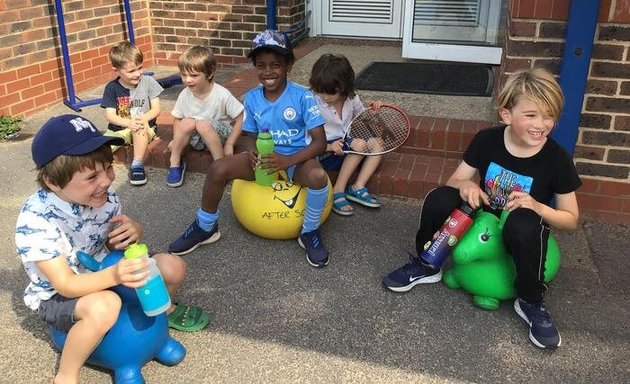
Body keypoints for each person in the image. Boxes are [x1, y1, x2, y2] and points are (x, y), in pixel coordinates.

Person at [382, 68, 581, 349]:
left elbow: (570, 220)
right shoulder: (487, 140)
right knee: (440, 197)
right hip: (482, 223)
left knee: (524, 222)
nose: (542, 124)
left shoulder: (557, 159)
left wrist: (538, 206)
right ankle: (428, 263)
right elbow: (456, 180)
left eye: (549, 115)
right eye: (531, 115)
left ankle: (530, 301)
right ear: (506, 115)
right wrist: (467, 186)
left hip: (520, 230)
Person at [16, 115, 209, 384]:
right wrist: (115, 277)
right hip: (60, 295)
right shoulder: (37, 220)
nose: (106, 180)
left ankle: (161, 313)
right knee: (106, 305)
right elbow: (65, 284)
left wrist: (133, 232)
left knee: (172, 267)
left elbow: (112, 243)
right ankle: (66, 374)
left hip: (105, 265)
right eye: (92, 176)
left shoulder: (103, 198)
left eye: (108, 168)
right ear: (52, 182)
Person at [168, 29, 331, 268]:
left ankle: (309, 231)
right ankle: (206, 227)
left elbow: (320, 142)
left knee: (318, 177)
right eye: (261, 65)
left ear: (289, 65)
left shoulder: (303, 96)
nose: (268, 72)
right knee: (218, 168)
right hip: (265, 161)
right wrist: (252, 151)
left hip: (295, 158)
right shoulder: (253, 98)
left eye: (275, 65)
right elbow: (250, 136)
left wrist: (286, 162)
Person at [309, 53, 383, 216]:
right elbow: (305, 138)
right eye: (321, 92)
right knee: (359, 144)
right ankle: (338, 191)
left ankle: (357, 187)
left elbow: (363, 116)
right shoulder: (314, 102)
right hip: (322, 153)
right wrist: (328, 146)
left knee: (377, 143)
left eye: (330, 93)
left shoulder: (351, 98)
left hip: (344, 148)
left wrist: (374, 110)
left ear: (343, 88)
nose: (325, 97)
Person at [167, 45, 245, 187]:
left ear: (209, 73)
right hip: (197, 138)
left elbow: (241, 117)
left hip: (218, 136)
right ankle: (175, 162)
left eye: (194, 75)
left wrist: (229, 143)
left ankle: (220, 167)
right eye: (184, 75)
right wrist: (175, 140)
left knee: (202, 124)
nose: (187, 80)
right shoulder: (185, 94)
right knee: (186, 122)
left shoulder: (221, 94)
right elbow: (177, 118)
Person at [101, 41, 164, 186]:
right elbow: (110, 115)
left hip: (143, 126)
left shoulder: (148, 82)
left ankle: (137, 165)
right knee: (99, 150)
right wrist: (128, 123)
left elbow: (156, 109)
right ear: (116, 71)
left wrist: (143, 119)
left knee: (139, 129)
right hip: (118, 129)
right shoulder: (111, 88)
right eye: (131, 71)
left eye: (140, 68)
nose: (137, 73)